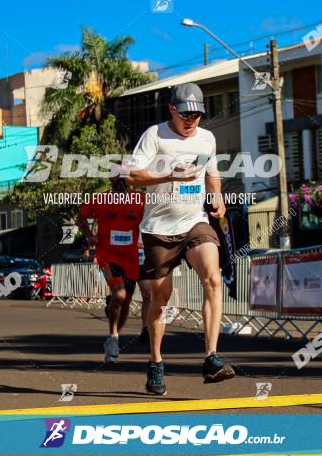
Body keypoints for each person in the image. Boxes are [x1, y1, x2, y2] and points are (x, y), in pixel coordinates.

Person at [124, 82, 234, 395]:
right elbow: (132, 176)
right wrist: (169, 176)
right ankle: (156, 362)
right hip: (159, 228)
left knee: (213, 278)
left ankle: (211, 357)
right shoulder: (154, 136)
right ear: (172, 109)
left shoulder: (207, 138)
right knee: (161, 301)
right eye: (186, 114)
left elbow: (212, 173)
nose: (191, 121)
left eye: (197, 115)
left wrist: (218, 197)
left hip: (194, 222)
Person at [75, 175, 149, 363]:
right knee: (120, 294)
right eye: (117, 177)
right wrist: (89, 235)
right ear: (110, 179)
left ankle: (113, 337)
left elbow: (153, 219)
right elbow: (81, 216)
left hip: (131, 258)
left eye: (124, 177)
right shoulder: (100, 199)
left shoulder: (140, 199)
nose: (121, 180)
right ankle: (113, 336)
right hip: (107, 256)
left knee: (125, 303)